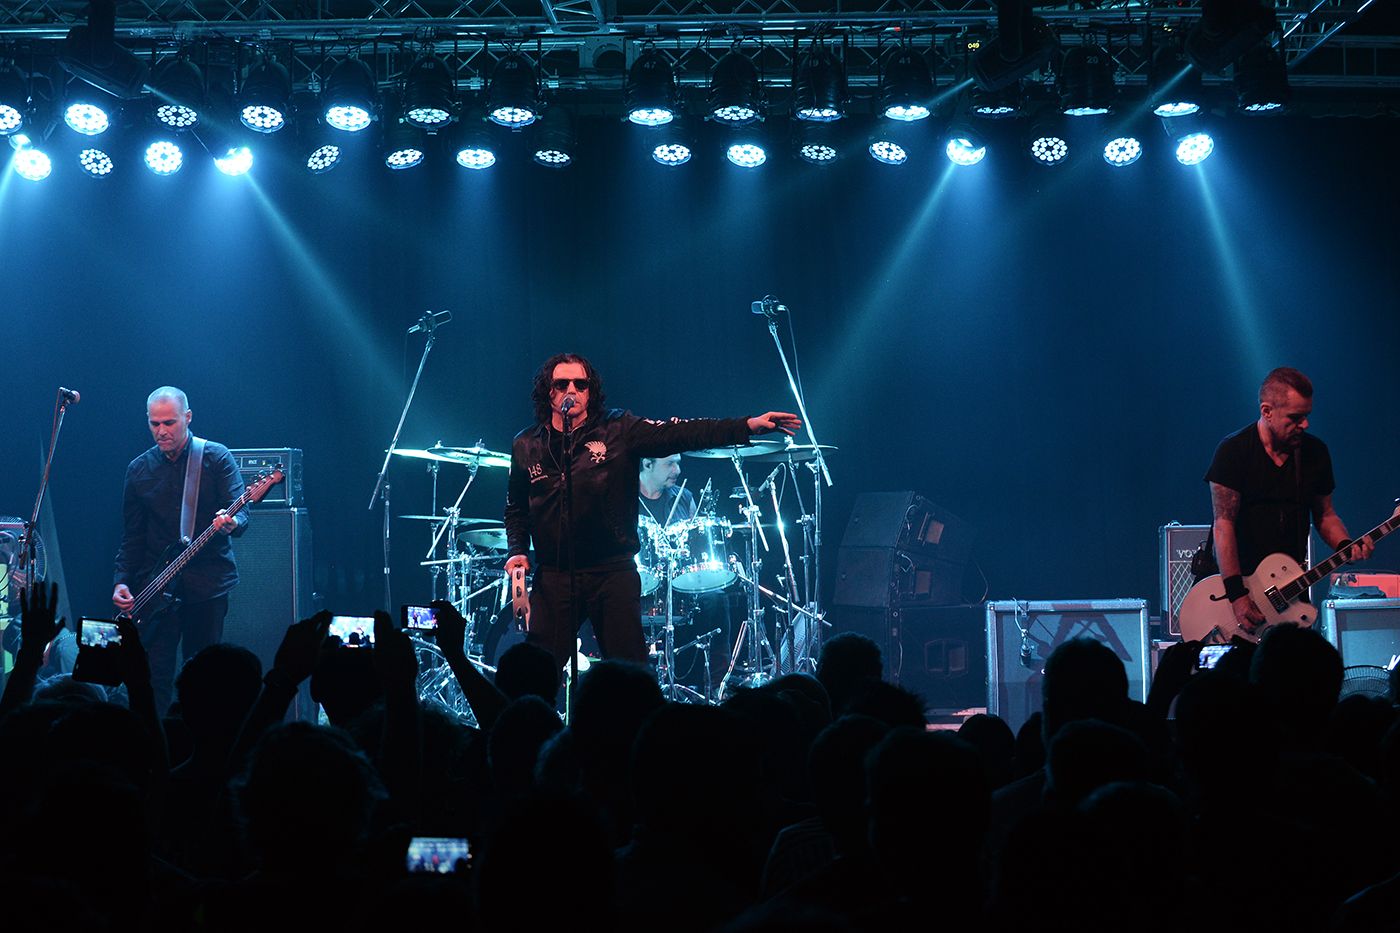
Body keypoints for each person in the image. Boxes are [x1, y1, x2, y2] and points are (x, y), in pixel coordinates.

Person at [503, 353, 800, 670]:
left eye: (581, 384)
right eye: (562, 384)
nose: (572, 390)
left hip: (612, 572)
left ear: (591, 391)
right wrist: (517, 550)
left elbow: (681, 432)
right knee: (538, 673)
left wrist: (746, 426)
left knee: (630, 674)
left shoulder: (618, 428)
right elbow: (516, 506)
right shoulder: (526, 444)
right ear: (548, 391)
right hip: (555, 574)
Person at [1205, 367, 1372, 636]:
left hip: (1290, 589)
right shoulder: (1233, 451)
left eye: (1307, 416)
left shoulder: (1315, 453)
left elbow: (1325, 515)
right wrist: (1237, 596)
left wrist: (1345, 545)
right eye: (1295, 417)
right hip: (1239, 589)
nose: (1304, 425)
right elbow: (1223, 525)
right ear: (1267, 411)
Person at [113, 386, 247, 715]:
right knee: (152, 677)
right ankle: (154, 742)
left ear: (187, 417)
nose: (161, 431)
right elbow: (133, 537)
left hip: (207, 585)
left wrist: (232, 522)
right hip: (156, 588)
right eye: (154, 423)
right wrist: (121, 581)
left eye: (169, 423)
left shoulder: (215, 457)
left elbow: (242, 509)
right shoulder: (138, 469)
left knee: (203, 677)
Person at [638, 454, 695, 527]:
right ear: (648, 465)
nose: (678, 471)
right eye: (669, 464)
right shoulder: (624, 498)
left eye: (678, 463)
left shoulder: (685, 496)